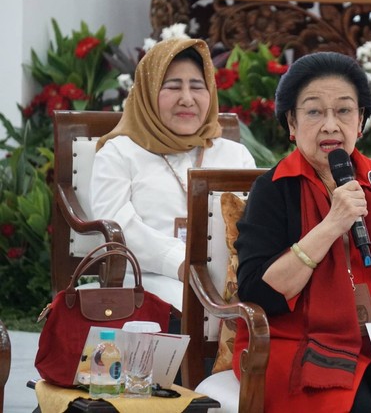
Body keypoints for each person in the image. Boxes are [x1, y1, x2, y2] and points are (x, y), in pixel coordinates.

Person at [232, 51, 371, 412]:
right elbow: (258, 291)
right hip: (299, 346)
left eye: (343, 110)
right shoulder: (274, 190)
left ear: (360, 123)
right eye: (313, 111)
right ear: (291, 123)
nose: (330, 125)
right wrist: (331, 226)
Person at [90, 38, 256, 311]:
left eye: (197, 87)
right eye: (173, 87)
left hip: (227, 278)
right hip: (148, 278)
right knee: (189, 304)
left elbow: (253, 222)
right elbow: (116, 225)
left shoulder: (235, 155)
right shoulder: (119, 152)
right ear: (147, 91)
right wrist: (179, 261)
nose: (187, 99)